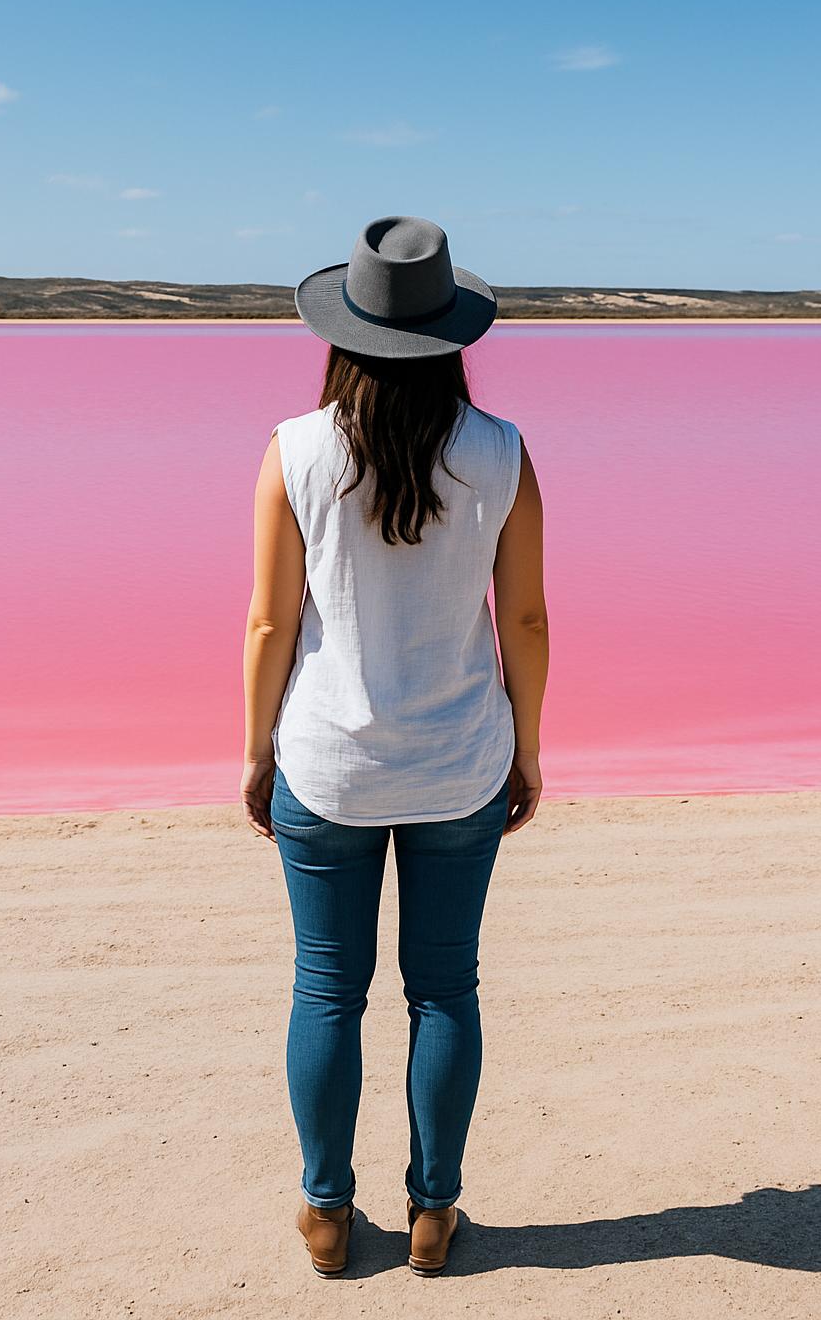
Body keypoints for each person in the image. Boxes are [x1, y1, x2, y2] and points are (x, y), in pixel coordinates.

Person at [240, 215, 549, 1278]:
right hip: (461, 758)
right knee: (444, 988)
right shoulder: (501, 451)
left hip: (325, 762)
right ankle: (432, 1211)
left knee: (326, 988)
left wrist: (252, 750)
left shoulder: (296, 450)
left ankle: (327, 1214)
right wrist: (530, 748)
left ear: (340, 333)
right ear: (450, 338)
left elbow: (271, 624)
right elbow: (526, 623)